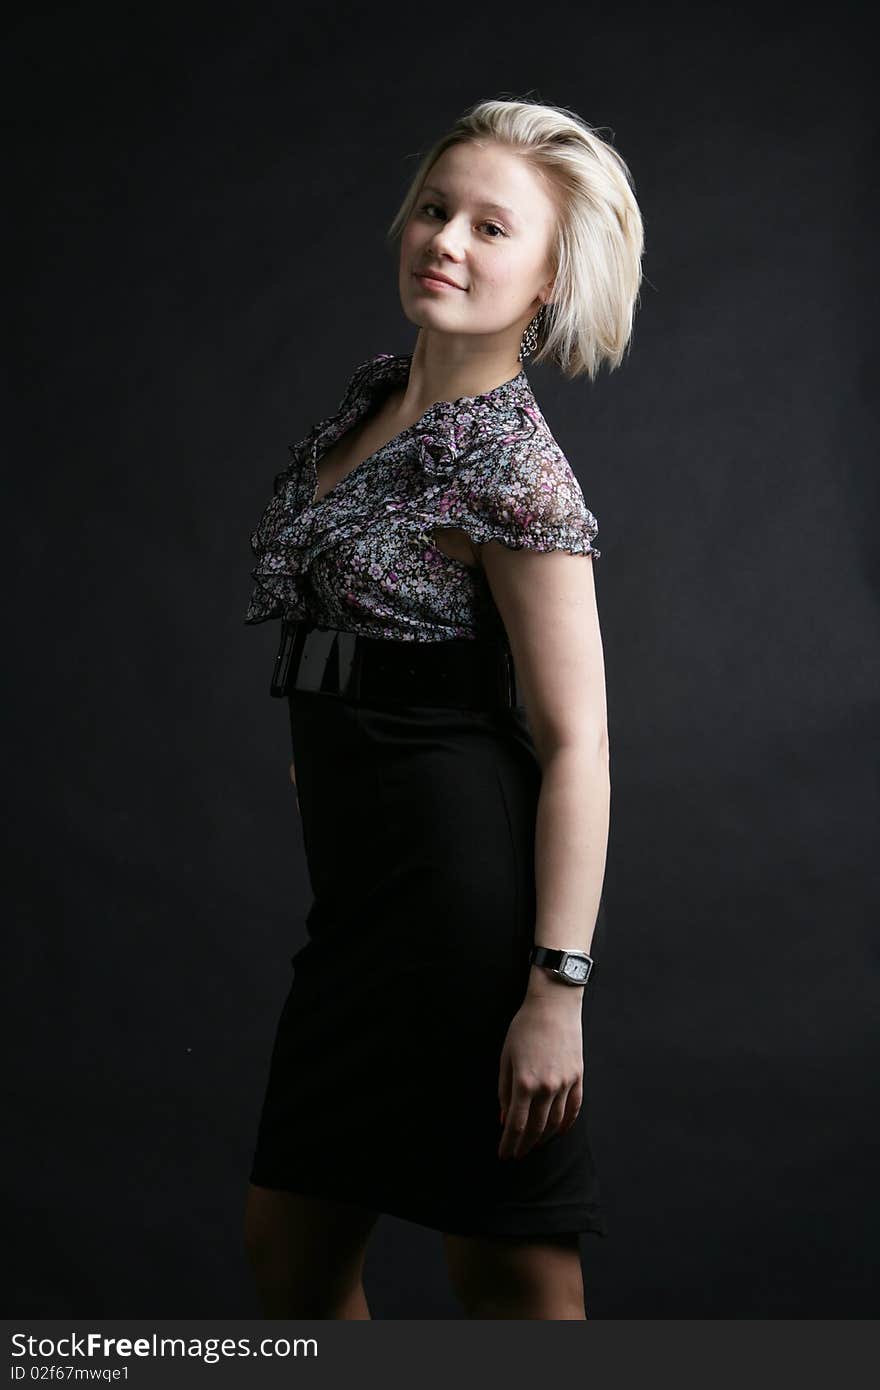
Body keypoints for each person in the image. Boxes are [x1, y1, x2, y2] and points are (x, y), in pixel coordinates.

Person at [241, 96, 644, 1320]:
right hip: (360, 902)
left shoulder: (512, 464)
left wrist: (553, 992)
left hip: (464, 913)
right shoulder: (369, 399)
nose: (446, 241)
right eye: (434, 207)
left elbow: (578, 742)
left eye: (490, 226)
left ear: (547, 282)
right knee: (293, 1253)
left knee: (509, 1273)